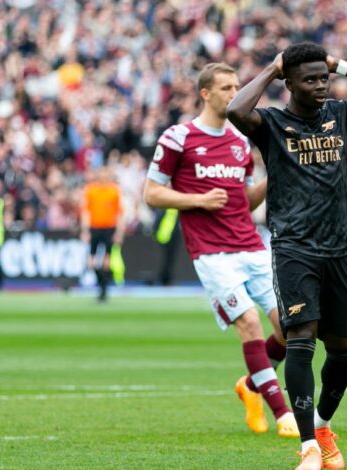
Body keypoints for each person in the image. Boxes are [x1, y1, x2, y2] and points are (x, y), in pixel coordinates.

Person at [227, 42, 347, 469]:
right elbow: (236, 111)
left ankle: (323, 426)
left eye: (324, 78)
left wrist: (341, 65)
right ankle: (308, 446)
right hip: (294, 249)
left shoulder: (340, 115)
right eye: (309, 80)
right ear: (289, 83)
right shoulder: (270, 123)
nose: (321, 86)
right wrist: (271, 70)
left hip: (339, 250)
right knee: (302, 340)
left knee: (343, 351)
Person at [143, 62, 299, 438]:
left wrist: (271, 178)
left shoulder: (239, 142)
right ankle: (283, 414)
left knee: (290, 328)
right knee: (248, 322)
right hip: (211, 253)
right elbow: (151, 193)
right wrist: (195, 199)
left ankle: (250, 385)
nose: (234, 94)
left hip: (250, 244)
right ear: (206, 93)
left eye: (236, 87)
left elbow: (244, 203)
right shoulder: (178, 138)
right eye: (227, 88)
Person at [80, 166, 125, 302]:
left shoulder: (114, 191)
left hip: (109, 228)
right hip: (95, 227)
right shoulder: (91, 190)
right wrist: (85, 230)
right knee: (91, 261)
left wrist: (119, 232)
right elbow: (86, 211)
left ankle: (104, 290)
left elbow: (119, 213)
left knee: (107, 259)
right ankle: (101, 283)